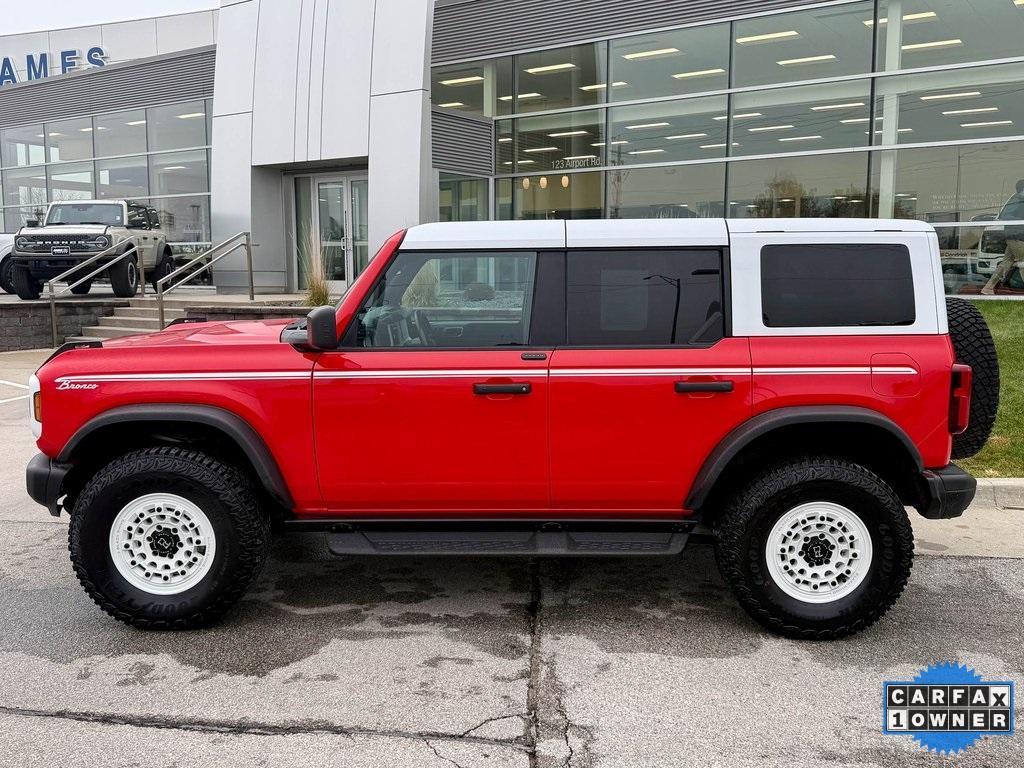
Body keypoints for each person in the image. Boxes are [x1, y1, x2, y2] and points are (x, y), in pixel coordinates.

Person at [981, 179, 1024, 294]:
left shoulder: (1019, 200)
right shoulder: (1018, 200)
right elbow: (1005, 216)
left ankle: (988, 288)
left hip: (1016, 236)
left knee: (1006, 261)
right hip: (1017, 236)